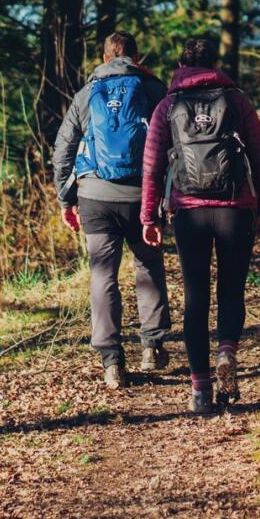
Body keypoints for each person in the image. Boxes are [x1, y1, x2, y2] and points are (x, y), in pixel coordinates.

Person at [141, 36, 260, 414]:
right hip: (236, 208)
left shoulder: (168, 105)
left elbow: (152, 166)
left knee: (196, 296)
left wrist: (149, 216)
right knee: (231, 290)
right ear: (214, 64)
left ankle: (200, 389)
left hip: (189, 211)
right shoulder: (235, 99)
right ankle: (227, 352)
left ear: (181, 66)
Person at [53, 30, 171, 389]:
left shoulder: (87, 93)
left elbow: (63, 150)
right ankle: (152, 347)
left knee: (103, 274)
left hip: (95, 197)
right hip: (142, 195)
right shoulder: (152, 90)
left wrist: (65, 198)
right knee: (148, 264)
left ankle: (111, 361)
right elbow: (172, 143)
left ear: (105, 58)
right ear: (136, 58)